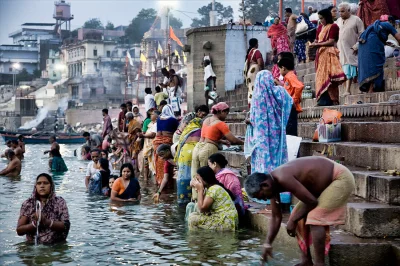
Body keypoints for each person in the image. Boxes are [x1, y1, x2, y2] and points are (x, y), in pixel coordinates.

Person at [244, 157, 355, 266]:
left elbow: (312, 202)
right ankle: (306, 261)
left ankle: (319, 263)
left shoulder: (283, 177)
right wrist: (268, 243)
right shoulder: (272, 186)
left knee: (314, 218)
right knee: (297, 215)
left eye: (263, 196)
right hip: (321, 187)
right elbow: (276, 217)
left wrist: (293, 220)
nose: (265, 200)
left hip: (339, 178)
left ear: (265, 185)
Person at [191, 102, 244, 199]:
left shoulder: (206, 120)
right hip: (208, 149)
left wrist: (222, 141)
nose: (226, 116)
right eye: (226, 113)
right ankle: (206, 202)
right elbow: (232, 140)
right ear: (222, 111)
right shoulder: (220, 124)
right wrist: (244, 142)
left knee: (196, 176)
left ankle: (195, 200)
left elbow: (208, 136)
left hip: (198, 147)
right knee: (206, 178)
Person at [244, 71, 293, 174]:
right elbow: (289, 101)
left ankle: (263, 183)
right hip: (276, 134)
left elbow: (252, 119)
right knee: (276, 158)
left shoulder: (255, 98)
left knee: (262, 161)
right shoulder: (279, 92)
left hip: (261, 138)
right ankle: (279, 179)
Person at [16, 173, 70, 244]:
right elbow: (19, 231)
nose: (42, 186)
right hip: (32, 246)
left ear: (51, 186)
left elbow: (66, 226)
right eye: (39, 183)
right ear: (36, 186)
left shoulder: (59, 202)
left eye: (45, 183)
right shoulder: (28, 204)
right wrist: (35, 224)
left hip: (56, 246)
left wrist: (46, 221)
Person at [174, 106, 209, 205]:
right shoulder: (199, 129)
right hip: (193, 152)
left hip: (183, 154)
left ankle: (182, 200)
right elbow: (203, 141)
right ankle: (194, 198)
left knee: (182, 176)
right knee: (193, 175)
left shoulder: (187, 130)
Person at [309, 9, 345, 106]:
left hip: (329, 54)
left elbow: (331, 41)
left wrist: (317, 45)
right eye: (319, 18)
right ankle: (322, 100)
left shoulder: (333, 26)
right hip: (320, 55)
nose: (320, 21)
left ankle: (332, 100)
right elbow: (316, 40)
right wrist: (312, 44)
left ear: (327, 17)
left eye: (322, 18)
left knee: (330, 77)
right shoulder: (320, 27)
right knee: (320, 77)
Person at [188, 166, 238, 231]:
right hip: (225, 220)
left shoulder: (214, 189)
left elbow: (202, 209)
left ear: (204, 178)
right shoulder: (209, 189)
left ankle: (197, 238)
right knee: (192, 210)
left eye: (198, 179)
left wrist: (200, 190)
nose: (197, 181)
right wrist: (198, 189)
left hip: (226, 222)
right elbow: (203, 209)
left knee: (192, 219)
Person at [358, 16, 400, 93]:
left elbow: (376, 37)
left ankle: (371, 88)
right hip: (372, 46)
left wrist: (386, 43)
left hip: (363, 47)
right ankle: (373, 88)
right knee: (376, 65)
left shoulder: (373, 27)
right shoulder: (388, 25)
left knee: (370, 66)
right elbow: (399, 38)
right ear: (392, 22)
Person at [336, 2, 365, 96]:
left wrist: (357, 46)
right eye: (339, 12)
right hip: (341, 50)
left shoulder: (357, 20)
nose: (340, 13)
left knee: (354, 68)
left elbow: (362, 34)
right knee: (345, 70)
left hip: (353, 49)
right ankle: (347, 90)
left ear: (349, 11)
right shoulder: (338, 21)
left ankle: (353, 89)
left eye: (343, 11)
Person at [153, 105, 179, 185]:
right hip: (166, 142)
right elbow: (178, 132)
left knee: (158, 164)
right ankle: (168, 184)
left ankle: (159, 182)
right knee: (167, 164)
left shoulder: (159, 119)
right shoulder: (173, 120)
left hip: (157, 143)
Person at [278, 57, 304, 136]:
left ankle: (292, 147)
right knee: (288, 129)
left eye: (279, 69)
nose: (279, 72)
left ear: (283, 68)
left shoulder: (290, 76)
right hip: (288, 108)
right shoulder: (288, 77)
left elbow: (299, 86)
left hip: (291, 107)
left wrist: (293, 100)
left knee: (290, 130)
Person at [139, 110, 159, 179]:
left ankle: (155, 182)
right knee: (147, 164)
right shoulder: (150, 124)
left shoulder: (156, 124)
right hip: (147, 148)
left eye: (152, 114)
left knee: (154, 165)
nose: (151, 115)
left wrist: (143, 136)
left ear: (156, 117)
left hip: (153, 148)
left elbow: (153, 135)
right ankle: (146, 179)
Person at [245, 38, 265, 105]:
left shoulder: (249, 52)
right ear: (256, 44)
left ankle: (251, 104)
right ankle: (257, 104)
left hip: (250, 72)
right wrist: (262, 70)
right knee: (256, 88)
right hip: (255, 71)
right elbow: (260, 63)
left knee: (251, 89)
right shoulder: (256, 51)